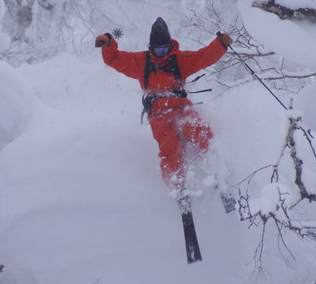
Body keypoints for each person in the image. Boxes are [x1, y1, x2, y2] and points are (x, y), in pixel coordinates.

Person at [95, 17, 232, 190]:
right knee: (170, 149)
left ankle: (217, 169)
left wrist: (220, 44)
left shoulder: (179, 60)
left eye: (165, 49)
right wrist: (108, 43)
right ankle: (177, 186)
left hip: (181, 109)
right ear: (151, 48)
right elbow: (115, 59)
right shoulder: (142, 62)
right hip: (159, 116)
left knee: (200, 130)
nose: (162, 53)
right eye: (158, 50)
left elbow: (202, 57)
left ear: (170, 46)